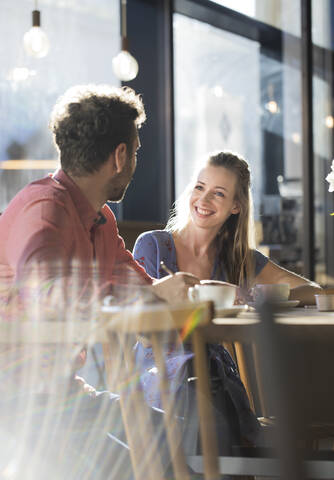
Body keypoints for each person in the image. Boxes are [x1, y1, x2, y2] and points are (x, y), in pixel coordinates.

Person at [0, 84, 199, 478]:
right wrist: (149, 301)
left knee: (169, 431)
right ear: (119, 156)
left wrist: (173, 303)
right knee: (137, 467)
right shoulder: (43, 208)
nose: (136, 160)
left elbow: (139, 290)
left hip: (62, 392)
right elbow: (48, 295)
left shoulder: (100, 220)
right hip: (18, 402)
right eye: (137, 151)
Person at [133, 151, 322, 446]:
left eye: (218, 194)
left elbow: (314, 291)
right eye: (200, 187)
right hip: (155, 379)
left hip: (212, 384)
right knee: (202, 402)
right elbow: (142, 334)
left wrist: (247, 295)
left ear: (236, 206)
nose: (203, 201)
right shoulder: (153, 246)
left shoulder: (239, 261)